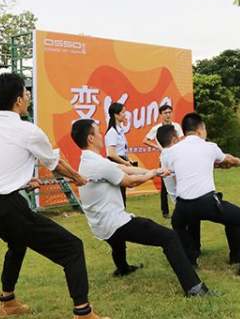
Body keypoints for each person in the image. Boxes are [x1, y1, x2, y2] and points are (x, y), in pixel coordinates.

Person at [0, 73, 112, 319]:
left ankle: (7, 301)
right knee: (72, 248)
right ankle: (84, 316)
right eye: (26, 93)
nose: (28, 97)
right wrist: (78, 177)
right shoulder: (28, 130)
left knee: (17, 244)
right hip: (8, 207)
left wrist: (21, 181)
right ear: (18, 100)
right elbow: (55, 164)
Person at [72, 119, 210, 297]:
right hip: (113, 222)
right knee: (169, 238)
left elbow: (123, 168)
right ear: (91, 138)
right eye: (98, 132)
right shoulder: (98, 164)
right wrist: (152, 174)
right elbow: (129, 182)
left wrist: (156, 170)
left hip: (100, 223)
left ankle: (122, 268)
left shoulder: (89, 161)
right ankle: (194, 288)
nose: (101, 136)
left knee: (116, 240)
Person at [162, 112, 240, 277]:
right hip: (206, 203)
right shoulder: (210, 147)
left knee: (178, 225)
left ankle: (191, 260)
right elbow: (227, 159)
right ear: (200, 129)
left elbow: (185, 166)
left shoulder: (170, 152)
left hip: (182, 207)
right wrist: (236, 161)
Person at [156, 125, 202, 255]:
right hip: (182, 197)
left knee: (191, 223)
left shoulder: (164, 154)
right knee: (189, 224)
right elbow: (178, 177)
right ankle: (192, 250)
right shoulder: (172, 154)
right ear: (174, 139)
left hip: (179, 197)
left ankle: (194, 248)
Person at [143, 104, 184, 218]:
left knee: (180, 181)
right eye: (165, 113)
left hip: (177, 158)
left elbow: (180, 140)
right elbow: (145, 140)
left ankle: (181, 207)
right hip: (164, 158)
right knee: (165, 186)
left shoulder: (176, 126)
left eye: (170, 112)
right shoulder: (156, 128)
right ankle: (165, 211)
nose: (168, 115)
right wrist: (157, 147)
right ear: (161, 115)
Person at [105, 102, 135, 208]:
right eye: (123, 112)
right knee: (118, 193)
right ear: (116, 115)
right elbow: (111, 154)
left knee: (122, 191)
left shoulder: (120, 131)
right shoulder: (112, 132)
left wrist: (128, 159)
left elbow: (121, 150)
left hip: (121, 161)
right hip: (116, 163)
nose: (125, 115)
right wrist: (125, 163)